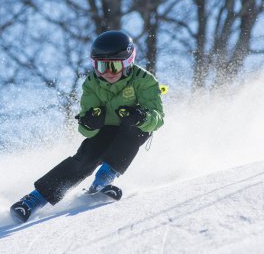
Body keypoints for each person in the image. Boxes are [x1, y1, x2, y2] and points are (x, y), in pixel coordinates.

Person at [10, 30, 164, 222]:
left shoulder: (144, 80)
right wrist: (90, 122)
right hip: (105, 130)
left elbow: (158, 118)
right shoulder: (92, 83)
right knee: (85, 158)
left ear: (127, 63)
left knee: (135, 132)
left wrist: (141, 116)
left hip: (132, 128)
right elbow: (85, 128)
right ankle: (34, 200)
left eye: (114, 66)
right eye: (100, 66)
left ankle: (103, 180)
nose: (107, 73)